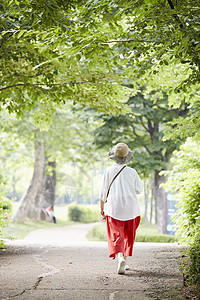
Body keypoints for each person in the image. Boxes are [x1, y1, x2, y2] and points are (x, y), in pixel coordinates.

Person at [99, 142, 143, 274]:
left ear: (114, 156)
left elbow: (103, 194)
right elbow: (139, 190)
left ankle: (119, 257)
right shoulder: (132, 172)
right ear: (127, 157)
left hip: (114, 208)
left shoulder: (108, 171)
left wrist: (102, 209)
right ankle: (124, 259)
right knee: (128, 236)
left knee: (115, 235)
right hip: (131, 209)